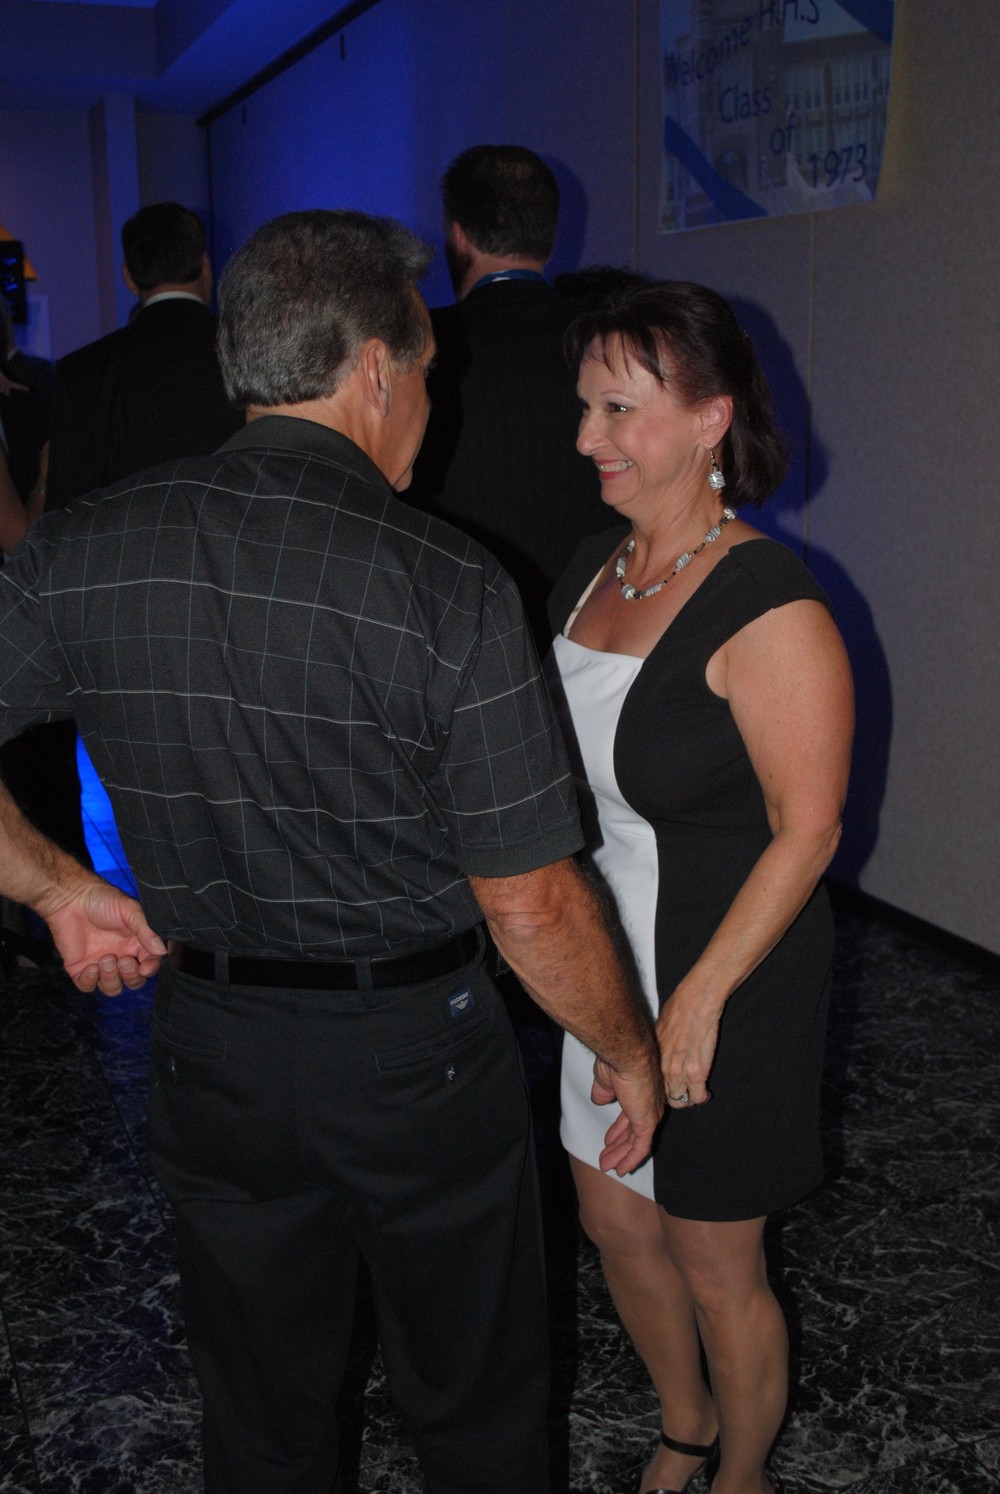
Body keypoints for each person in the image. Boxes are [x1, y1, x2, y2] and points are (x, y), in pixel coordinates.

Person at [0, 208, 663, 1494]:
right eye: (427, 368)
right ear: (372, 368)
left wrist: (55, 887)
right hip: (419, 1056)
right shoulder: (445, 580)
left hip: (212, 1047)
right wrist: (626, 1051)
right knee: (475, 1408)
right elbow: (528, 901)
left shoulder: (82, 549)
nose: (430, 400)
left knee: (259, 1416)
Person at [546, 282, 854, 1494]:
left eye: (619, 409)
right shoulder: (593, 567)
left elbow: (809, 830)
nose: (588, 437)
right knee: (615, 1221)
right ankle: (684, 1425)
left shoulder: (769, 603)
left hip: (731, 967)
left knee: (717, 1260)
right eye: (584, 407)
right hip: (600, 957)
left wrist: (697, 999)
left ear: (711, 417)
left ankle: (744, 1474)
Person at [408, 143, 612, 645]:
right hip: (594, 633)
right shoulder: (608, 346)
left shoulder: (416, 351)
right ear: (551, 237)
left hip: (452, 634)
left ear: (458, 236)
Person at [45, 200, 242, 507]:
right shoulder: (248, 352)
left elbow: (65, 509)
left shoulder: (81, 373)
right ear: (205, 265)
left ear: (129, 277)